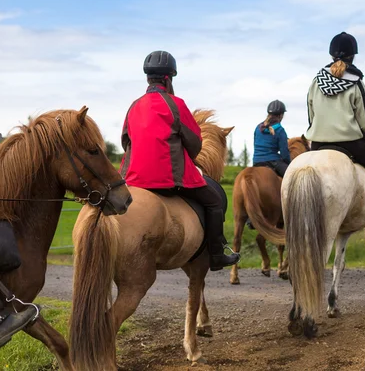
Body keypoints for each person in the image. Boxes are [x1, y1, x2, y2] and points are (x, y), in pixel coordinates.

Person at [120, 50, 240, 271]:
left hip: (134, 179)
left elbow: (125, 140)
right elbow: (194, 142)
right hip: (169, 178)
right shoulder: (175, 104)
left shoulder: (134, 106)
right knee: (214, 202)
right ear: (169, 78)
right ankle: (216, 254)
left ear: (148, 78)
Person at [306, 32, 365, 241]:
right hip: (351, 143)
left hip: (318, 143)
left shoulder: (316, 81)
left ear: (331, 54)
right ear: (353, 56)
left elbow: (310, 113)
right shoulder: (356, 82)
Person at [252, 100, 290, 177]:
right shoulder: (280, 130)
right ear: (281, 115)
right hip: (273, 162)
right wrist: (289, 163)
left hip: (256, 161)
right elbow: (284, 153)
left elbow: (256, 145)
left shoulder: (258, 128)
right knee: (291, 176)